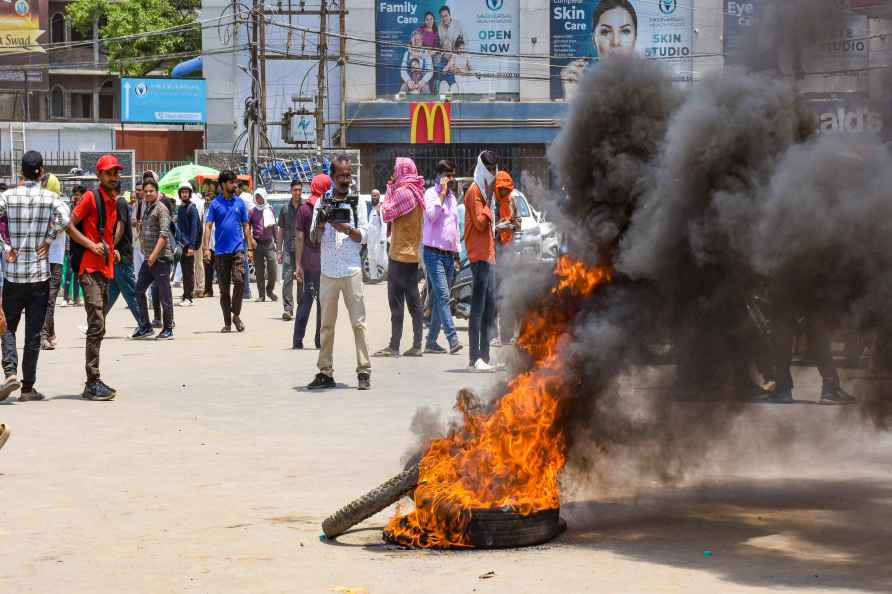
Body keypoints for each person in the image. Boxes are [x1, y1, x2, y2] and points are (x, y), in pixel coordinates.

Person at [0, 151, 70, 402]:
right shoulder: (50, 197)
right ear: (41, 172)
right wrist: (49, 238)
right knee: (32, 333)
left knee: (7, 327)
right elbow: (65, 217)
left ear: (22, 171)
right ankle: (28, 388)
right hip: (39, 276)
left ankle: (9, 372)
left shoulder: (8, 196)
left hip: (13, 276)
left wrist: (5, 246)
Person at [306, 155, 371, 391]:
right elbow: (313, 238)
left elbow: (364, 235)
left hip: (351, 271)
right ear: (332, 177)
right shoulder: (321, 202)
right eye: (341, 175)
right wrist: (323, 222)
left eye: (348, 174)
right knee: (326, 326)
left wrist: (346, 228)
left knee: (359, 324)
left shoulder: (357, 202)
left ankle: (364, 371)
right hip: (328, 273)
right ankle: (325, 372)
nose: (346, 179)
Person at [67, 154, 122, 401]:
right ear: (99, 175)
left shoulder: (113, 201)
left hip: (105, 268)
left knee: (99, 326)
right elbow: (69, 225)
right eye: (109, 173)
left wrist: (113, 250)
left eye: (116, 173)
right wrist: (91, 245)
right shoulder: (91, 197)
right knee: (96, 323)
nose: (114, 177)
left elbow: (106, 234)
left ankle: (94, 379)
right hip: (89, 269)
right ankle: (92, 381)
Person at [375, 158, 426, 358]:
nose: (394, 173)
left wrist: (389, 190)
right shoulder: (416, 191)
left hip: (400, 254)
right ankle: (416, 344)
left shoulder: (404, 193)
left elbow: (386, 213)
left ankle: (394, 346)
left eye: (396, 170)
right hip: (412, 254)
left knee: (396, 302)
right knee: (413, 301)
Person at [203, 170, 252, 333]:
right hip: (221, 252)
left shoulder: (240, 203)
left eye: (234, 182)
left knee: (239, 281)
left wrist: (250, 247)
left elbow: (246, 225)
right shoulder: (215, 204)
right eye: (231, 182)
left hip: (238, 249)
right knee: (224, 289)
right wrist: (206, 249)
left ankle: (236, 314)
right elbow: (208, 226)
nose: (234, 185)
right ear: (223, 185)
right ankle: (228, 323)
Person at [422, 160, 463, 356]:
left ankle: (430, 341)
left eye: (452, 175)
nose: (451, 179)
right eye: (448, 175)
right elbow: (432, 216)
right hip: (433, 253)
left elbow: (454, 226)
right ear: (439, 176)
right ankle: (452, 338)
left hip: (448, 255)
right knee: (444, 297)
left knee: (441, 299)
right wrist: (441, 193)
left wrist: (457, 253)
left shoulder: (453, 198)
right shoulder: (431, 194)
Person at [561, 0, 639, 98]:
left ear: (635, 38)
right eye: (606, 32)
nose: (615, 42)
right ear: (594, 40)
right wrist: (572, 95)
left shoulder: (649, 86)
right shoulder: (585, 88)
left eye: (625, 31)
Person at [465, 151, 499, 371]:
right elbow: (479, 223)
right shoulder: (475, 191)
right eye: (490, 169)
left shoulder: (486, 193)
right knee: (477, 309)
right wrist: (488, 207)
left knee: (490, 308)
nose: (493, 173)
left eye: (495, 168)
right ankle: (474, 357)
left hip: (488, 254)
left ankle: (484, 357)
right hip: (478, 256)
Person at [132, 180, 174, 340]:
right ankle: (145, 326)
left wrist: (154, 255)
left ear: (157, 192)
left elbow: (164, 234)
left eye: (151, 191)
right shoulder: (147, 208)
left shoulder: (161, 209)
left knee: (165, 295)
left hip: (161, 259)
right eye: (146, 191)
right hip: (149, 259)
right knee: (139, 290)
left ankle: (168, 328)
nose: (148, 193)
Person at [292, 174, 329, 350]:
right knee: (323, 302)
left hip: (308, 261)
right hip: (325, 262)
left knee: (305, 300)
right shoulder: (328, 208)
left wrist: (298, 264)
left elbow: (299, 238)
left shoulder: (304, 209)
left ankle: (297, 340)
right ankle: (319, 341)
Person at [103, 175, 142, 330]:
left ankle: (144, 325)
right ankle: (96, 322)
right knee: (110, 293)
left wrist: (111, 246)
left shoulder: (119, 202)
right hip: (117, 256)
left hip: (121, 256)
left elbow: (120, 226)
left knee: (131, 293)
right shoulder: (117, 203)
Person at [493, 171, 522, 346]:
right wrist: (497, 227)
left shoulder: (512, 201)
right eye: (500, 189)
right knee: (498, 295)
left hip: (509, 251)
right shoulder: (492, 203)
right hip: (495, 252)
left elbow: (518, 224)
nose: (503, 192)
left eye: (506, 188)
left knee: (509, 294)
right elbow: (486, 225)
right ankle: (498, 335)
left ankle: (509, 334)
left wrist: (508, 225)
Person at [39, 174, 66, 351]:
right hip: (51, 258)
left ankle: (50, 333)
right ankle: (43, 336)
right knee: (49, 299)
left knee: (47, 298)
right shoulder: (58, 205)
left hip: (46, 258)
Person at [277, 179, 302, 320]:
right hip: (287, 249)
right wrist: (279, 250)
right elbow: (281, 230)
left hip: (302, 249)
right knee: (287, 278)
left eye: (299, 189)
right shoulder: (285, 209)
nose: (297, 192)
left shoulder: (306, 207)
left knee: (301, 279)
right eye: (295, 190)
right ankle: (288, 308)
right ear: (291, 191)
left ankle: (301, 307)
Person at [248, 187, 278, 302]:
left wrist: (277, 243)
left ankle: (269, 290)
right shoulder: (252, 211)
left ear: (264, 197)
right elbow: (246, 228)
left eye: (260, 196)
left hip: (269, 243)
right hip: (257, 244)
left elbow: (274, 227)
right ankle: (261, 295)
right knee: (259, 270)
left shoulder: (270, 209)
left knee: (273, 268)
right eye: (257, 197)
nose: (258, 199)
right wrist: (251, 241)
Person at [175, 181, 201, 307]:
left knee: (188, 272)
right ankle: (185, 295)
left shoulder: (192, 208)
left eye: (186, 192)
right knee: (184, 271)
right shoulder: (180, 208)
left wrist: (191, 246)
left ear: (190, 194)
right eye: (182, 192)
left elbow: (194, 229)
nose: (184, 194)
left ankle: (189, 297)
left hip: (189, 245)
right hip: (181, 244)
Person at [63, 185, 85, 306]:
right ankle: (66, 297)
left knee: (78, 274)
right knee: (69, 273)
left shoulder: (85, 209)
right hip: (70, 245)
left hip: (81, 246)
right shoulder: (69, 209)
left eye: (78, 194)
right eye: (75, 194)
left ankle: (77, 297)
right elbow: (67, 227)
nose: (76, 197)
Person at [237, 180, 254, 301]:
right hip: (245, 234)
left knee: (244, 264)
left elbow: (248, 216)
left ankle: (246, 291)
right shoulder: (248, 197)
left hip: (243, 235)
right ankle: (246, 291)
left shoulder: (242, 198)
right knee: (244, 263)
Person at [189, 182, 206, 298]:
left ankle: (193, 288)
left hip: (190, 234)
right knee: (199, 262)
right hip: (200, 233)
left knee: (191, 263)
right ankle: (200, 287)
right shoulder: (201, 202)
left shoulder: (189, 202)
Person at [201, 185, 216, 297]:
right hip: (207, 244)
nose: (207, 200)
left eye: (209, 199)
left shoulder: (216, 210)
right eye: (206, 198)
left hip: (217, 244)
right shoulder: (204, 210)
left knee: (220, 269)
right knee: (208, 268)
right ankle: (208, 290)